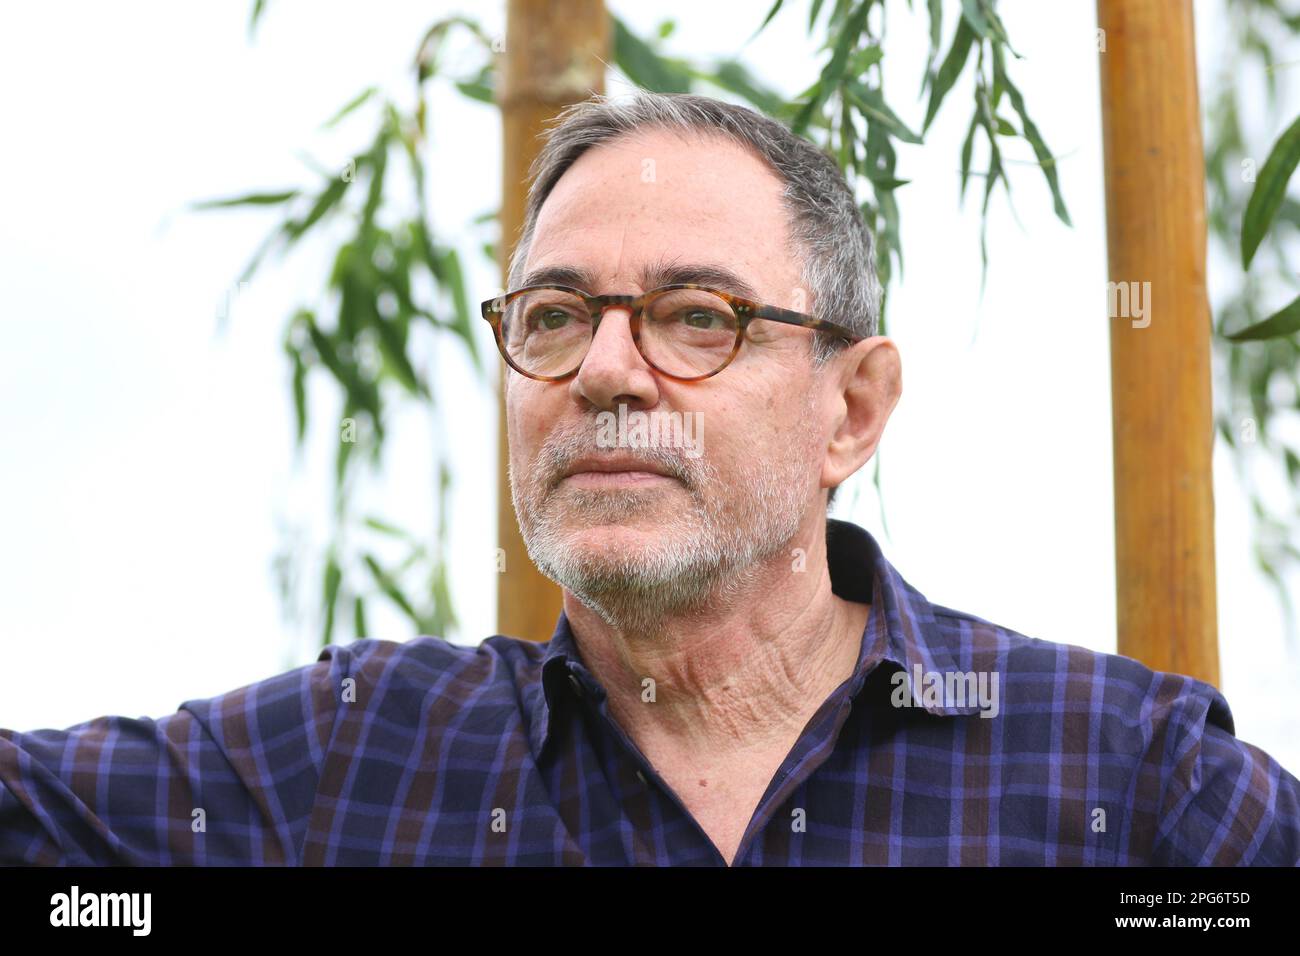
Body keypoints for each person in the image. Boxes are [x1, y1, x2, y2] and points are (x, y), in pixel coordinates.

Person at [3, 91, 1297, 866]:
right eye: (556, 317)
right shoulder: (354, 759)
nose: (606, 371)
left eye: (695, 317)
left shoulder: (1114, 781)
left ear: (852, 407)